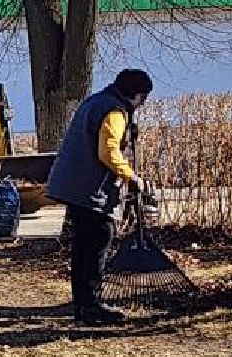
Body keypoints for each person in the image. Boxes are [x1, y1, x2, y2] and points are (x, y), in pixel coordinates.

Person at [47, 69, 154, 326]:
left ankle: (83, 303)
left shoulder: (97, 100)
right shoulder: (115, 112)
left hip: (72, 184)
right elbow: (108, 152)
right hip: (87, 188)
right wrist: (132, 177)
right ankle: (91, 305)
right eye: (143, 98)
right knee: (99, 237)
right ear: (137, 95)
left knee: (84, 243)